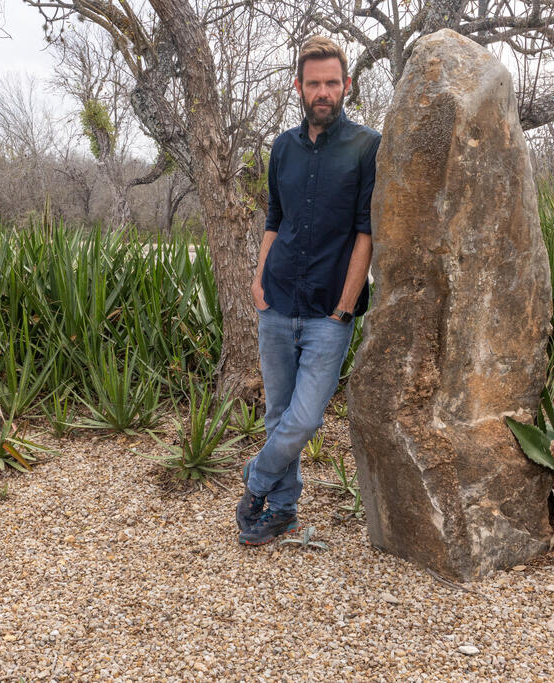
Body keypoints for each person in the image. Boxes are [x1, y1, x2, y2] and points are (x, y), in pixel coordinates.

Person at [237, 35, 380, 546]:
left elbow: (366, 231)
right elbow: (275, 218)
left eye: (332, 83)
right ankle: (282, 511)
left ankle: (255, 483)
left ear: (346, 87)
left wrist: (346, 306)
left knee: (303, 419)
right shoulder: (281, 148)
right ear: (299, 87)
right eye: (314, 82)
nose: (324, 91)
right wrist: (257, 279)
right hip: (277, 301)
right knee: (278, 414)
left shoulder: (367, 146)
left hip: (328, 312)